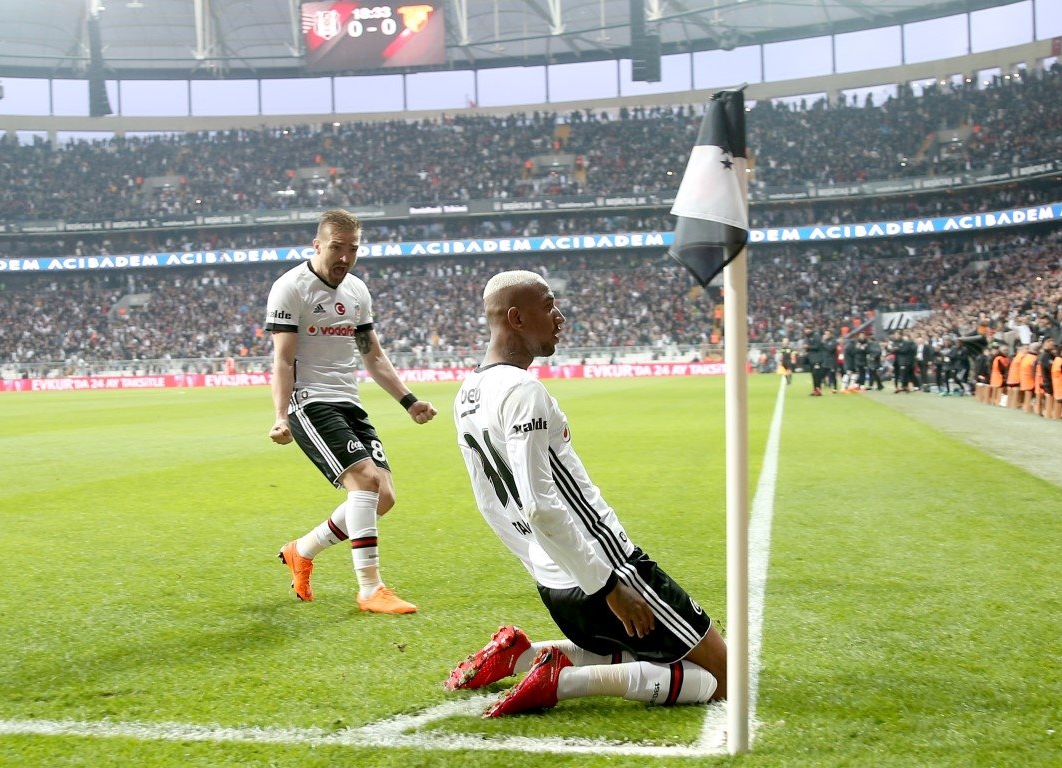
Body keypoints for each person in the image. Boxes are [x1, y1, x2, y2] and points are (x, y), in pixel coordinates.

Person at [446, 270, 726, 718]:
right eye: (549, 305)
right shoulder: (523, 392)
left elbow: (488, 502)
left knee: (648, 656)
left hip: (556, 584)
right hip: (607, 567)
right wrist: (609, 585)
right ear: (517, 318)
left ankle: (520, 655)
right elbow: (539, 504)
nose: (559, 316)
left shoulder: (468, 393)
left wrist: (541, 562)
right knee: (724, 677)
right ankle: (565, 681)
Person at [265, 209, 438, 614]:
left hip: (348, 400)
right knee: (364, 481)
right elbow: (282, 359)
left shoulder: (357, 292)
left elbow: (373, 356)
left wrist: (408, 401)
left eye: (352, 249)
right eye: (336, 248)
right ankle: (370, 588)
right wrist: (279, 414)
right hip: (308, 400)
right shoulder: (290, 288)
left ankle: (301, 550)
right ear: (318, 245)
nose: (344, 257)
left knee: (385, 496)